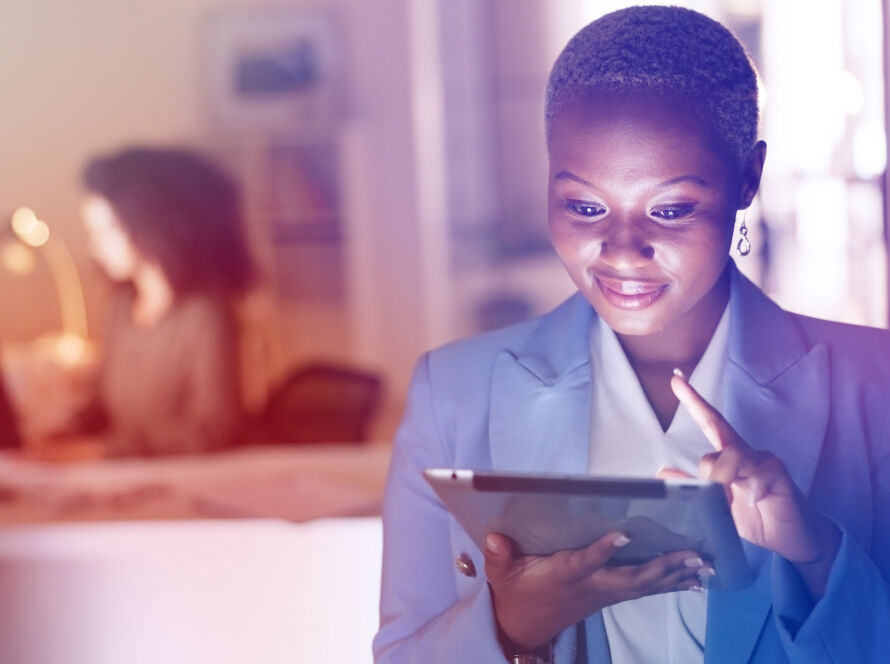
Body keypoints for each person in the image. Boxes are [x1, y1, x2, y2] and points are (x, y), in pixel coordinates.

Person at [373, 6, 890, 664]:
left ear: (748, 179)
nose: (620, 249)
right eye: (585, 206)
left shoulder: (877, 385)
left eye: (670, 209)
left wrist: (818, 556)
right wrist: (511, 628)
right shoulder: (452, 395)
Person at [72, 147, 254, 456]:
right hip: (126, 484)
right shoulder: (122, 306)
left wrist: (104, 451)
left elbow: (214, 431)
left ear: (152, 223)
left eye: (107, 231)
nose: (95, 246)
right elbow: (107, 407)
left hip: (184, 489)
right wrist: (66, 428)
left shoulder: (206, 315)